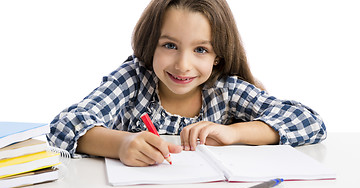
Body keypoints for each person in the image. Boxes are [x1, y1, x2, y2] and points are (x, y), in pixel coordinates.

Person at [47, 0, 326, 167]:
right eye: (170, 45)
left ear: (218, 57)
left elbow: (310, 122)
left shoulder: (225, 90)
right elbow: (64, 126)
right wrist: (122, 144)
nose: (182, 65)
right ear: (150, 44)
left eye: (201, 50)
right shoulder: (132, 80)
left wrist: (236, 133)